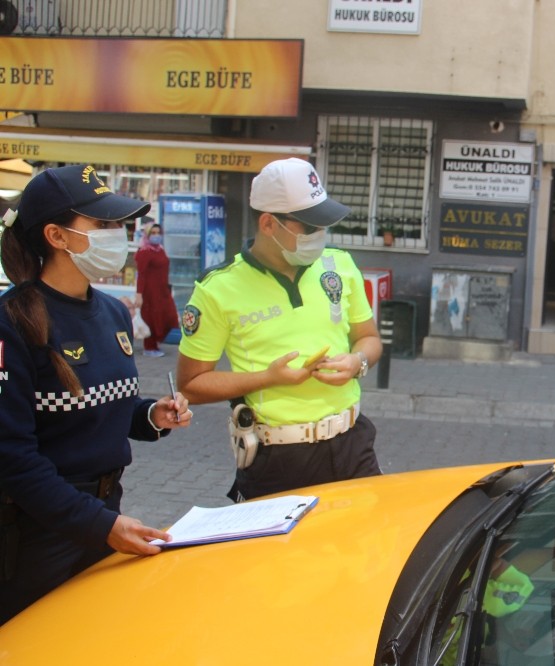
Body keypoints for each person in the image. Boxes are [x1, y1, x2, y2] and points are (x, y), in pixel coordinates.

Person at [0, 164, 192, 624]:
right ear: (56, 236)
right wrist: (101, 526)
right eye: (102, 223)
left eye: (117, 223)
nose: (117, 234)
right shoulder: (12, 321)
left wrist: (152, 415)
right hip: (38, 529)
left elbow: (104, 408)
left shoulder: (112, 313)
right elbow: (11, 457)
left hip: (106, 511)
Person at [176, 157, 382, 502]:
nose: (320, 235)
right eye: (310, 226)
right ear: (269, 224)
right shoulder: (217, 288)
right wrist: (268, 378)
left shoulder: (339, 265)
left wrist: (357, 362)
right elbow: (191, 385)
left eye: (324, 225)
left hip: (353, 443)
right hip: (279, 456)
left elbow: (369, 338)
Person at [134, 221, 179, 357]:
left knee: (169, 317)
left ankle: (156, 342)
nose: (156, 235)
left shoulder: (160, 249)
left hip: (163, 290)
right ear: (147, 235)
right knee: (152, 318)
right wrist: (139, 294)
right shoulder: (144, 252)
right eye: (153, 233)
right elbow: (141, 274)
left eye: (158, 233)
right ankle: (149, 347)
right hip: (150, 291)